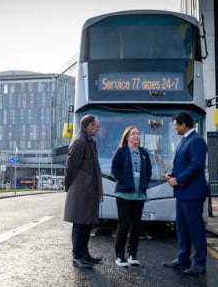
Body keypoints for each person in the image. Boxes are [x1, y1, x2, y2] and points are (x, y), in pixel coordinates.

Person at [163, 111, 209, 276]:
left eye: (176, 124)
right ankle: (183, 259)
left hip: (192, 193)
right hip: (183, 192)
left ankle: (200, 263)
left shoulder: (196, 141)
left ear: (183, 125)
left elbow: (197, 165)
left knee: (196, 229)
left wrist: (178, 179)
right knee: (182, 228)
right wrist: (172, 173)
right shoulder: (185, 140)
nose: (174, 128)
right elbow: (185, 163)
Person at [63, 114, 103, 269]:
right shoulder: (80, 142)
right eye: (97, 126)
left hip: (88, 189)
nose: (98, 129)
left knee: (87, 223)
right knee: (80, 224)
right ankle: (77, 256)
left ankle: (84, 254)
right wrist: (67, 185)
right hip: (81, 190)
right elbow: (70, 167)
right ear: (89, 126)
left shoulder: (89, 141)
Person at [111, 126, 152, 267]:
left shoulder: (144, 153)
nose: (136, 136)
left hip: (139, 195)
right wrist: (123, 180)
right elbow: (114, 169)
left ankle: (133, 254)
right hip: (124, 193)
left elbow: (148, 171)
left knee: (136, 225)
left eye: (138, 134)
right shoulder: (121, 151)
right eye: (133, 134)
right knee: (124, 224)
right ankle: (119, 255)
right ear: (127, 137)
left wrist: (144, 183)